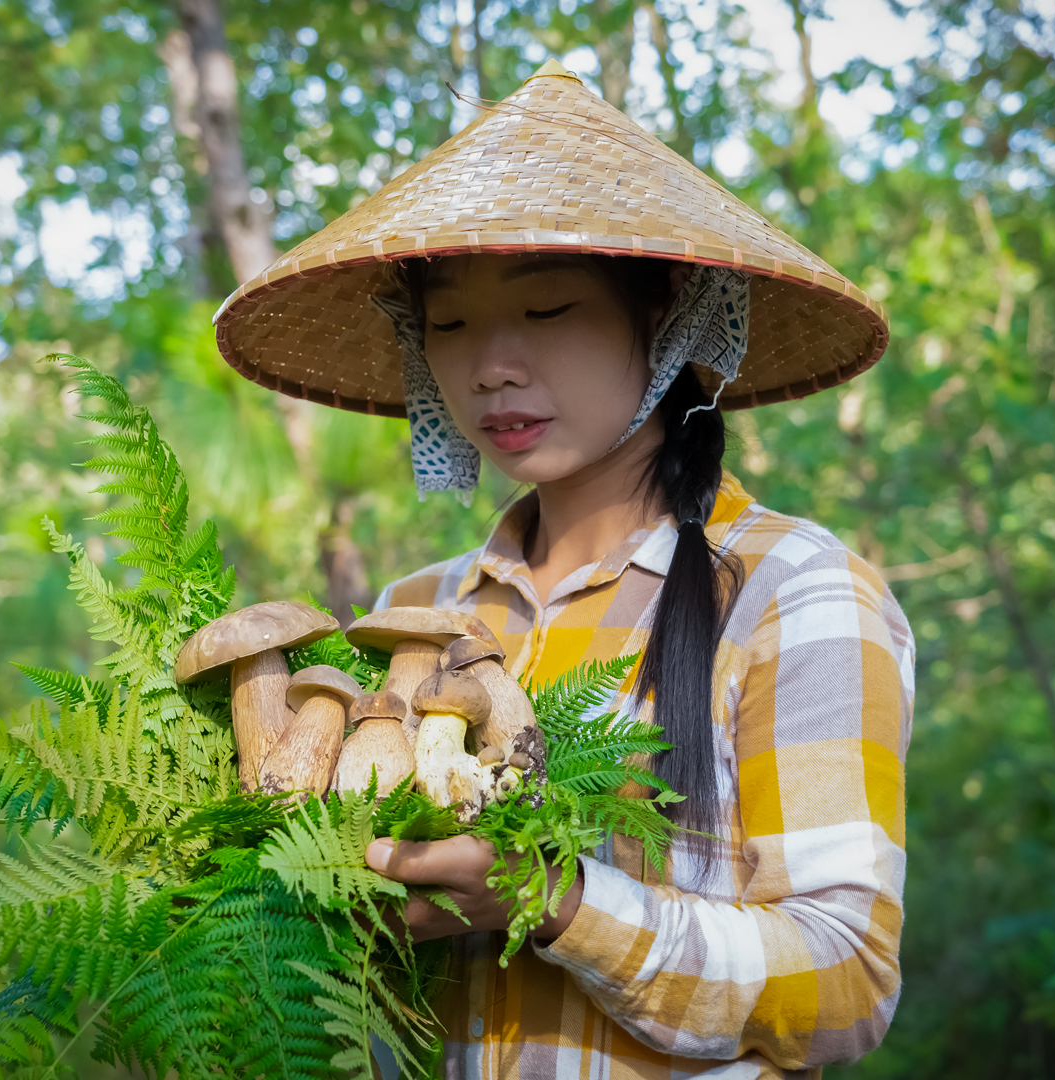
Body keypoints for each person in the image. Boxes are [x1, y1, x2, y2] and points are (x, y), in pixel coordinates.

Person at [214, 59, 913, 1080]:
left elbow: (844, 982)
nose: (490, 364)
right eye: (447, 324)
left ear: (672, 315)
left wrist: (556, 899)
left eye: (546, 312)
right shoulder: (412, 615)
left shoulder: (791, 592)